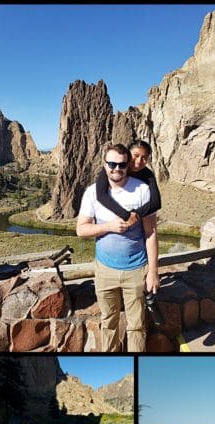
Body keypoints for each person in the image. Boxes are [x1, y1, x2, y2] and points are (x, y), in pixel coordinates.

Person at [76, 142, 159, 352]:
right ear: (104, 165)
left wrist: (153, 272)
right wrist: (108, 227)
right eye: (112, 164)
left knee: (137, 326)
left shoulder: (142, 189)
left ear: (127, 164)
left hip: (136, 270)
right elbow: (81, 230)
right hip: (105, 271)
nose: (117, 168)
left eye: (122, 165)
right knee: (109, 322)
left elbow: (150, 233)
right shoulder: (93, 192)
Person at [94, 140, 161, 227]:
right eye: (136, 155)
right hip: (109, 219)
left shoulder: (147, 175)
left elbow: (156, 202)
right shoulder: (113, 168)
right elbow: (101, 195)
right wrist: (126, 216)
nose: (139, 161)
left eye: (144, 157)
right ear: (128, 154)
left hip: (136, 224)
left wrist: (136, 215)